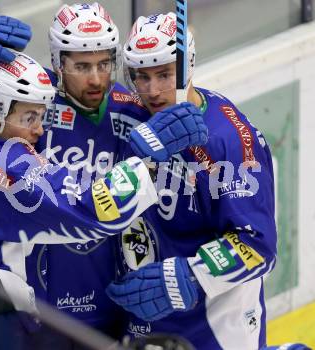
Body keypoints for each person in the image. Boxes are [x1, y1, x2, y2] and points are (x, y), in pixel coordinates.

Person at [0, 6, 207, 348]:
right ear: (59, 63)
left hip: (87, 302)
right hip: (15, 316)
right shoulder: (18, 97)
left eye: (104, 63)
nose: (95, 79)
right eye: (81, 65)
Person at [106, 13, 277, 350]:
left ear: (189, 68)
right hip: (147, 317)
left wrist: (190, 275)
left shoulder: (227, 139)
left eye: (165, 75)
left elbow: (257, 246)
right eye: (141, 77)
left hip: (216, 329)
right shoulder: (138, 116)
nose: (152, 90)